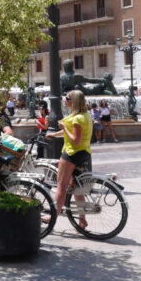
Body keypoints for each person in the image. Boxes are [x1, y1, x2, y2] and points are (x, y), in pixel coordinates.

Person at [45, 90, 92, 228]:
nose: (64, 100)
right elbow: (72, 132)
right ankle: (82, 220)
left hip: (72, 153)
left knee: (61, 186)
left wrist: (64, 127)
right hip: (83, 153)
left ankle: (53, 216)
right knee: (76, 187)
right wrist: (54, 134)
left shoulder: (77, 119)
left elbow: (75, 140)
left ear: (74, 101)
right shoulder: (84, 116)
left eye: (67, 98)